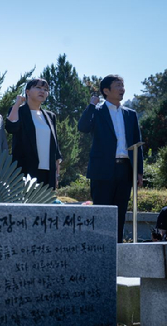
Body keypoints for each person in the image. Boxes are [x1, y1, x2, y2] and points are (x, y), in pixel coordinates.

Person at [78, 75, 143, 243]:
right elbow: (83, 127)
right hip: (102, 170)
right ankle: (99, 250)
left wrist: (138, 171)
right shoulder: (97, 111)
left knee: (120, 213)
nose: (122, 89)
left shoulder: (130, 114)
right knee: (101, 213)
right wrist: (92, 104)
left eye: (123, 85)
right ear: (106, 91)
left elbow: (137, 144)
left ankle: (118, 252)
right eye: (118, 85)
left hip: (125, 170)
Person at [5, 78, 62, 189]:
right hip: (25, 170)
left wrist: (56, 175)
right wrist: (17, 104)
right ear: (27, 92)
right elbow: (11, 127)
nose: (42, 91)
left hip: (48, 171)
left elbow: (56, 149)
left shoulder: (51, 116)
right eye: (38, 87)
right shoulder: (19, 111)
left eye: (45, 89)